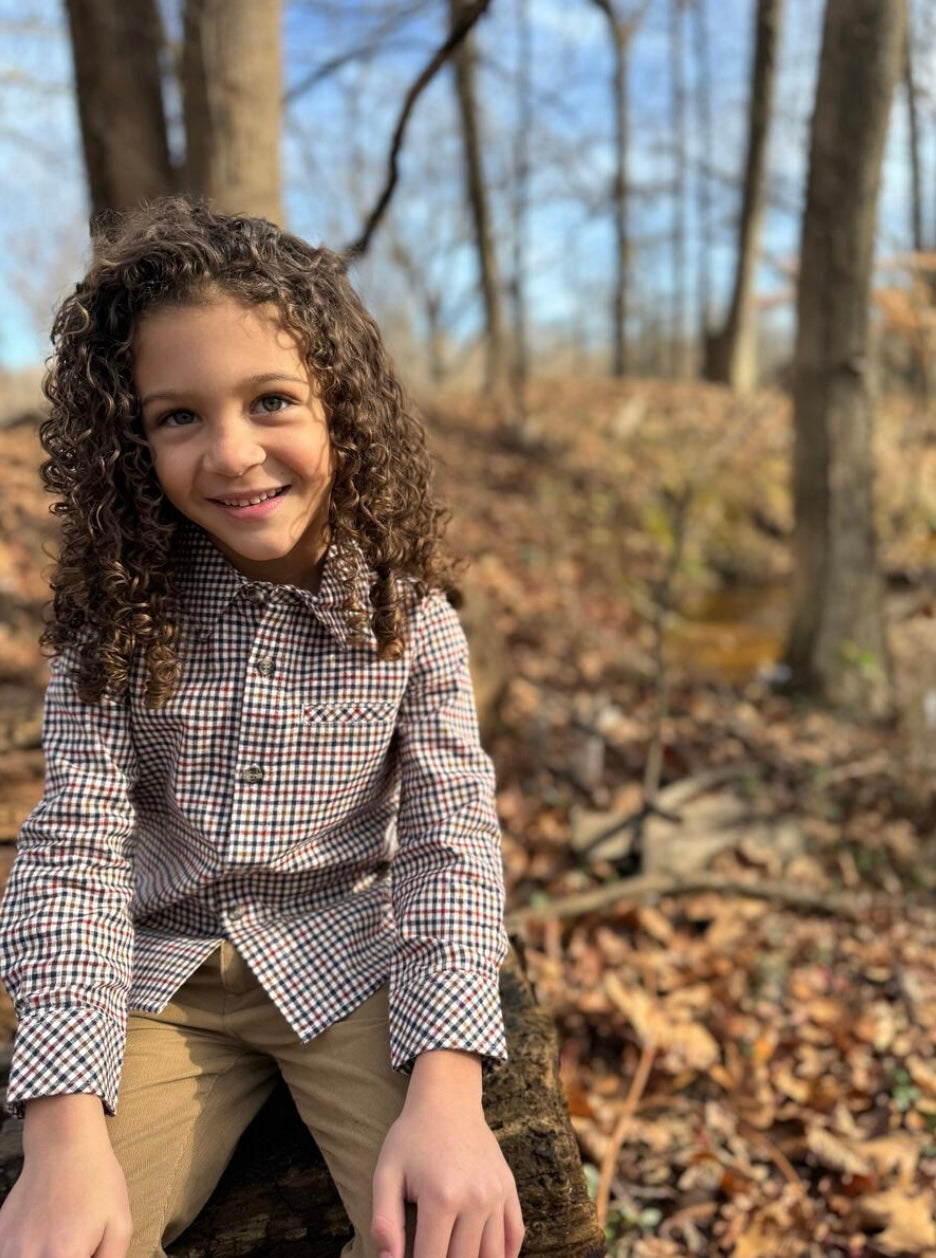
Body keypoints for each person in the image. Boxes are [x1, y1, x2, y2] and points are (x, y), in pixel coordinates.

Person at [0, 195, 524, 1258]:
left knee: (445, 1228)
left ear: (343, 404)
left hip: (345, 958)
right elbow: (76, 847)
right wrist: (60, 1126)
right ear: (130, 439)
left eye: (272, 399)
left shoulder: (408, 623)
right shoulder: (118, 619)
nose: (234, 454)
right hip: (161, 978)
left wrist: (451, 1088)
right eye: (178, 416)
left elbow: (449, 840)